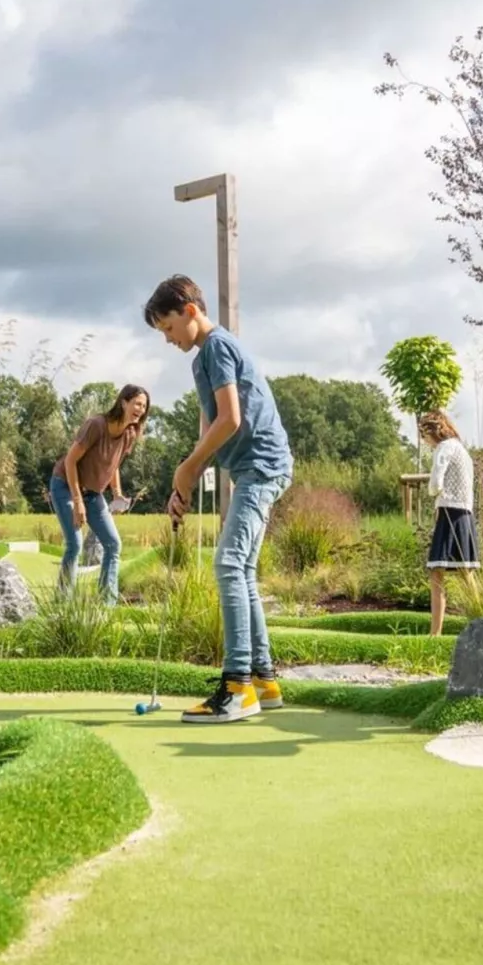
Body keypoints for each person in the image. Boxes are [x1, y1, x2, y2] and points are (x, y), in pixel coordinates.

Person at [143, 274, 293, 724]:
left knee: (228, 564)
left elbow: (230, 418)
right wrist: (183, 482)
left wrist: (189, 468)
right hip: (251, 469)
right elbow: (208, 427)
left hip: (263, 466)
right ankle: (263, 680)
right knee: (241, 568)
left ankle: (236, 688)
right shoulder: (199, 362)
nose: (167, 339)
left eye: (168, 327)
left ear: (190, 311)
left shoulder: (218, 347)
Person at [49, 385, 150, 604]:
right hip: (65, 486)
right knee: (75, 544)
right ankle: (63, 604)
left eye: (144, 406)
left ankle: (107, 605)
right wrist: (77, 501)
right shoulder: (96, 425)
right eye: (137, 404)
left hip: (94, 494)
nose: (141, 409)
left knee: (113, 545)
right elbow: (70, 461)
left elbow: (113, 465)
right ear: (123, 402)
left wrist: (117, 494)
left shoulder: (130, 433)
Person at [419, 410, 477, 637]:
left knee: (436, 574)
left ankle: (436, 633)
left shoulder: (443, 449)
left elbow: (435, 482)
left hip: (449, 512)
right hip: (466, 514)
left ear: (430, 432)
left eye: (424, 437)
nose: (425, 442)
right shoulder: (461, 449)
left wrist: (434, 492)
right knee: (466, 574)